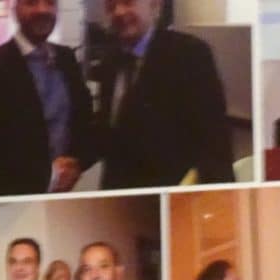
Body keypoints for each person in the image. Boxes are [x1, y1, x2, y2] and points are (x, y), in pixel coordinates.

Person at [91, 0, 233, 189]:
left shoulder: (190, 54)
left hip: (172, 197)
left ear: (155, 6)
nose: (118, 12)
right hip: (119, 198)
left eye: (127, 2)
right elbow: (109, 133)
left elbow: (216, 143)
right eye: (111, 6)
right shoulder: (110, 62)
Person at [0, 0, 96, 198]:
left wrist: (76, 164)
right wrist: (51, 175)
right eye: (31, 2)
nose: (42, 10)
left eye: (50, 3)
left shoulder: (66, 59)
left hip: (63, 200)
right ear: (15, 9)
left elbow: (85, 123)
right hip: (11, 204)